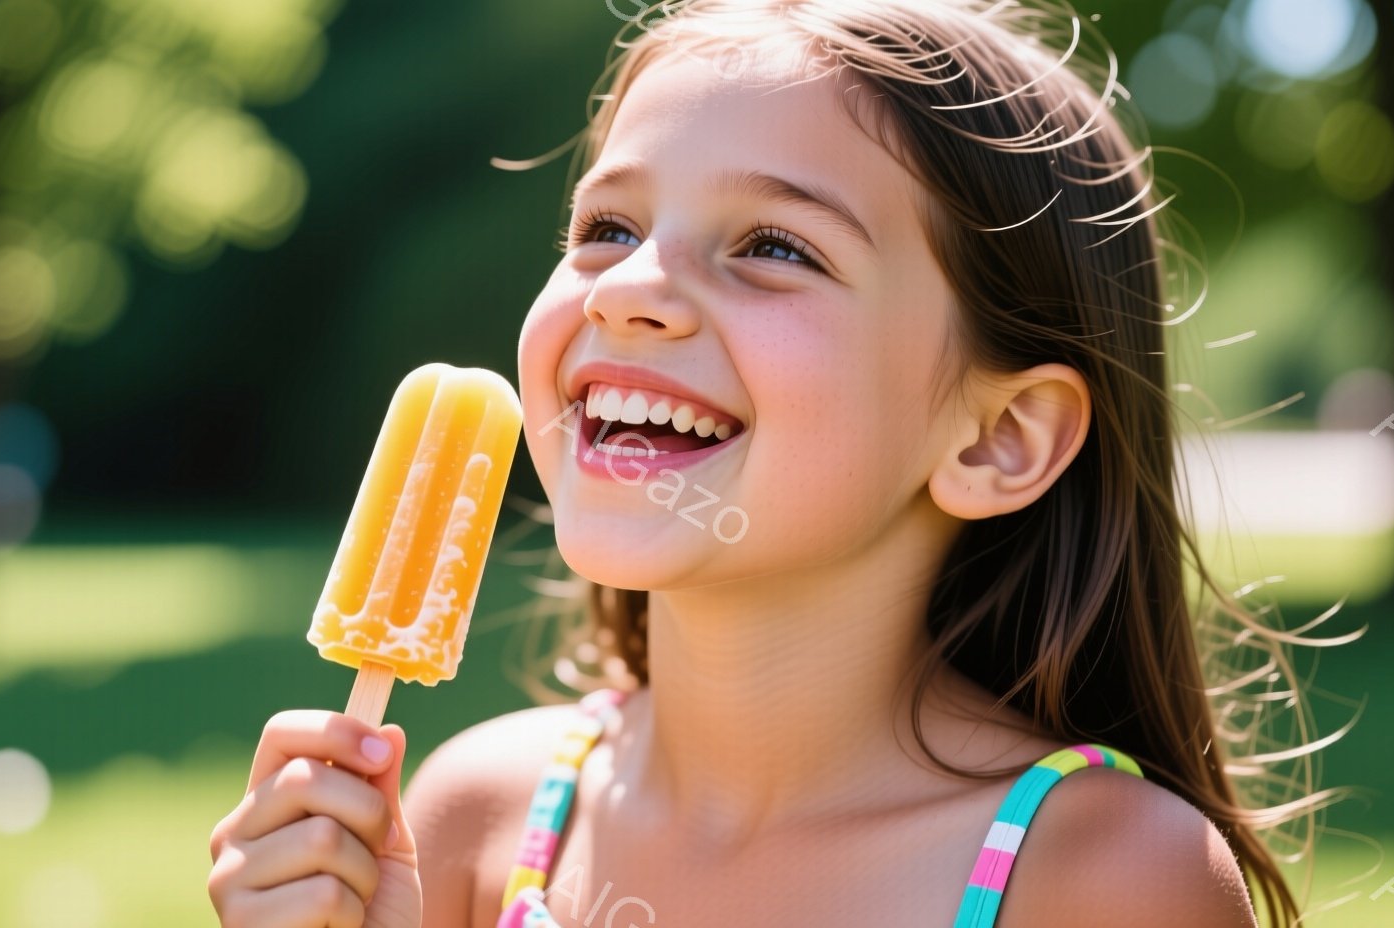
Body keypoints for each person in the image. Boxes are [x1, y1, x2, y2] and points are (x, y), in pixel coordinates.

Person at [208, 1, 1319, 925]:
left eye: (773, 247)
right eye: (604, 226)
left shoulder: (1097, 875)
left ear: (997, 437)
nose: (630, 286)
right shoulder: (470, 818)